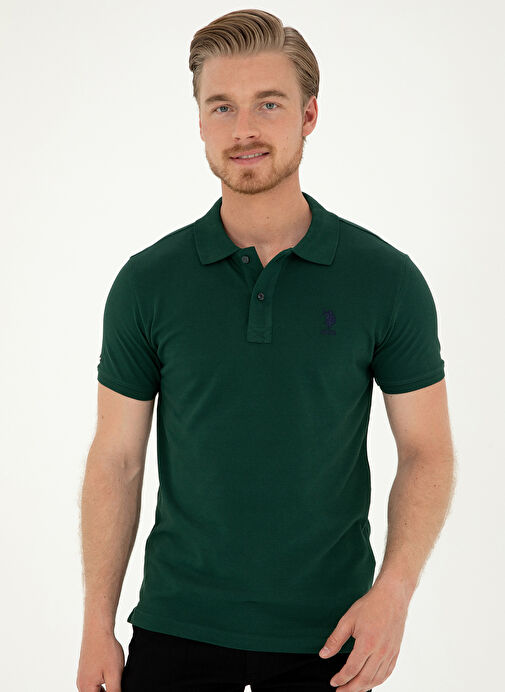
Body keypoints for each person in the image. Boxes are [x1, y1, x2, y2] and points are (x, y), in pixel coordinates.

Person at [76, 8, 456, 692]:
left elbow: (427, 450)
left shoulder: (385, 280)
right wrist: (95, 624)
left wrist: (394, 593)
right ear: (199, 121)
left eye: (268, 104)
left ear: (309, 116)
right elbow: (118, 459)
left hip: (331, 643)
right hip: (174, 633)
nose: (243, 129)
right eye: (221, 106)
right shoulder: (147, 283)